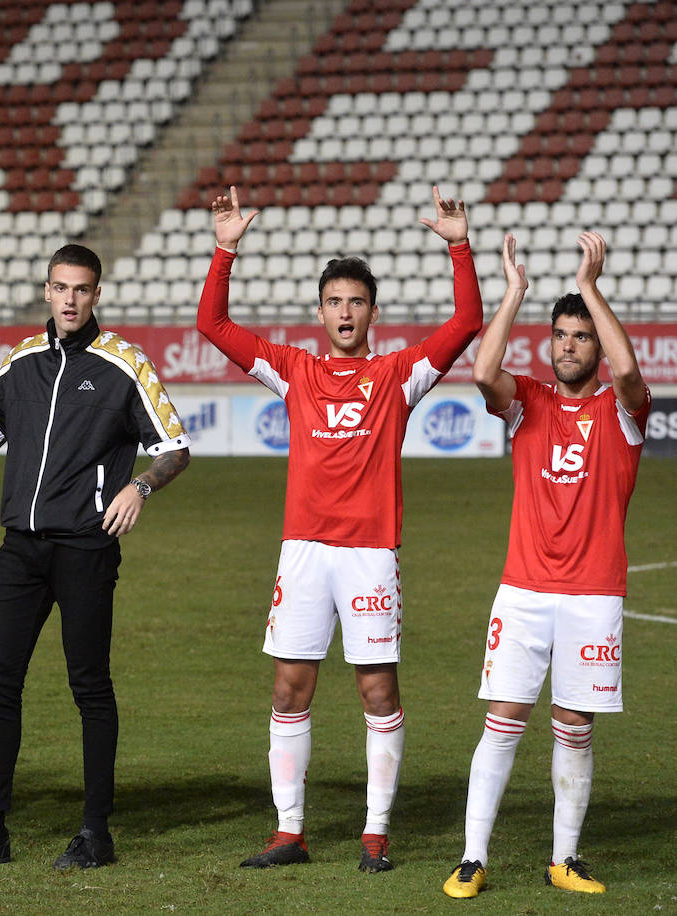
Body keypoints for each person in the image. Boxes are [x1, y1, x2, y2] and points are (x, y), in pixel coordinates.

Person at [196, 186, 483, 872]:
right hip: (303, 555)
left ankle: (375, 834)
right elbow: (213, 324)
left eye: (356, 302)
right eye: (334, 301)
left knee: (377, 692)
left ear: (372, 313)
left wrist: (458, 245)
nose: (345, 312)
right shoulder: (295, 371)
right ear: (319, 311)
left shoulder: (397, 376)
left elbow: (467, 320)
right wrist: (225, 248)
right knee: (289, 690)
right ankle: (288, 833)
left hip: (369, 558)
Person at [0, 244, 191, 872]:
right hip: (20, 547)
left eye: (81, 289)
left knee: (89, 687)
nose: (69, 299)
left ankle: (95, 832)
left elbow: (176, 447)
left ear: (96, 295)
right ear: (46, 291)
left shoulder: (125, 364)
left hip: (85, 548)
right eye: (59, 287)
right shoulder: (21, 361)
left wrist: (140, 487)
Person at [442, 231, 649, 899]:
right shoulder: (527, 400)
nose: (568, 344)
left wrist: (592, 289)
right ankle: (473, 857)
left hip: (592, 596)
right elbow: (479, 372)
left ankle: (565, 858)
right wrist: (514, 293)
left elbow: (626, 374)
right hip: (524, 591)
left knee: (574, 727)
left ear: (594, 343)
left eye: (581, 335)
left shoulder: (622, 414)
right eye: (561, 334)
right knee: (502, 719)